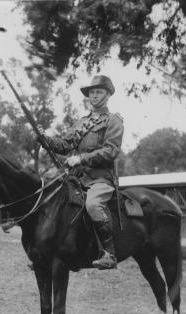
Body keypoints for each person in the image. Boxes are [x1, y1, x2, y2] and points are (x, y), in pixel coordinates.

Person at [40, 75, 124, 270]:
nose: (94, 96)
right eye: (91, 93)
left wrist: (81, 158)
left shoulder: (113, 121)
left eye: (99, 92)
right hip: (77, 178)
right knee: (50, 197)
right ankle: (47, 249)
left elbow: (111, 151)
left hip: (100, 179)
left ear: (108, 94)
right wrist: (46, 139)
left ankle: (109, 253)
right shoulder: (82, 122)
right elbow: (64, 144)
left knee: (93, 205)